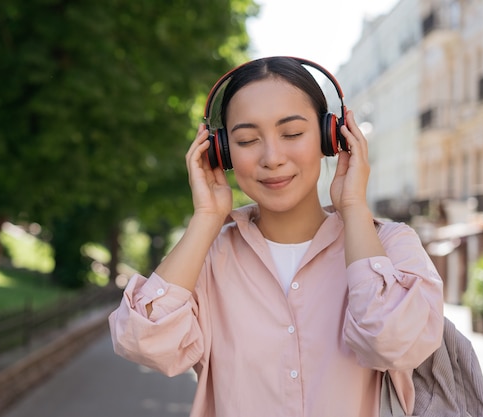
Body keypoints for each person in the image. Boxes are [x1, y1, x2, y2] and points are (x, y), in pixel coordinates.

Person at [109, 56, 444, 417]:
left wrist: (354, 208)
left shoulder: (392, 246)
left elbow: (393, 343)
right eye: (247, 139)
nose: (271, 157)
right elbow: (145, 344)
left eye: (292, 134)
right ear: (222, 152)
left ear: (332, 137)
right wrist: (206, 218)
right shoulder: (209, 258)